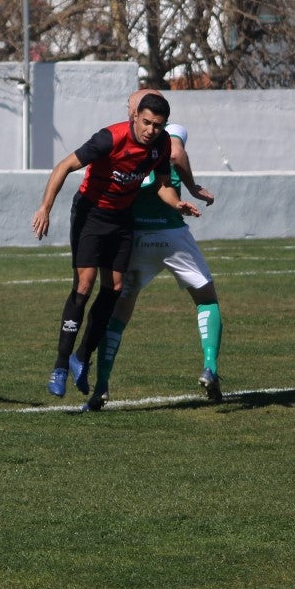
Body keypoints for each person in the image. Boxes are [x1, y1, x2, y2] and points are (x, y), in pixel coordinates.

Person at [32, 91, 200, 402]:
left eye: (159, 126)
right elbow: (64, 166)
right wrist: (45, 207)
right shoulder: (110, 138)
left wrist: (176, 203)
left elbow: (163, 184)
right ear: (135, 117)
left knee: (116, 287)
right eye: (147, 123)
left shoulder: (161, 146)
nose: (151, 130)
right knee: (84, 285)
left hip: (121, 217)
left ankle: (82, 356)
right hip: (90, 212)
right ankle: (59, 366)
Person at [76, 113, 224, 410]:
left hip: (136, 238)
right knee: (206, 298)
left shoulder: (122, 140)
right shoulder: (171, 132)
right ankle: (209, 366)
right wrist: (192, 186)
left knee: (118, 315)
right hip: (171, 233)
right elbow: (178, 152)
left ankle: (101, 388)